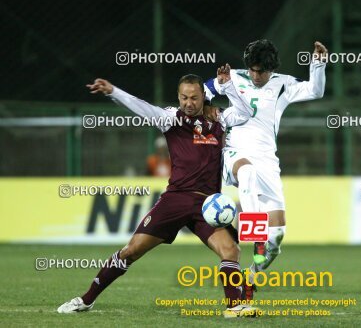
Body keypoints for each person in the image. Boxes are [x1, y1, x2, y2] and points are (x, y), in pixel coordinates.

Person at [57, 67, 259, 318]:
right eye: (184, 97)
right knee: (131, 251)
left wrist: (228, 86)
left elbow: (246, 112)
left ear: (203, 97)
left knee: (231, 251)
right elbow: (141, 107)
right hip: (176, 199)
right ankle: (85, 300)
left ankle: (235, 307)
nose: (188, 103)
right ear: (178, 97)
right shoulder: (170, 119)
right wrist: (113, 92)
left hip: (207, 205)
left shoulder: (217, 120)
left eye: (194, 98)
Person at [204, 39, 327, 299]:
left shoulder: (283, 84)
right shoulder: (234, 77)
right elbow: (200, 92)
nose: (256, 75)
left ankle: (251, 275)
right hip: (235, 153)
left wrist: (318, 63)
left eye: (262, 71)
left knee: (278, 238)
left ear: (271, 68)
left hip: (267, 161)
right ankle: (254, 232)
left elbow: (315, 91)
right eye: (253, 69)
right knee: (246, 173)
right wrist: (208, 109)